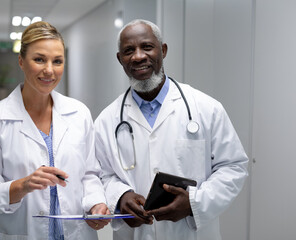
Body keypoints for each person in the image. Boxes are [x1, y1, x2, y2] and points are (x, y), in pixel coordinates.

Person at [94, 19, 249, 240]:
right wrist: (120, 197)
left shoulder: (206, 108)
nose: (138, 56)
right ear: (120, 59)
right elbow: (101, 175)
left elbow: (233, 167)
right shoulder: (106, 120)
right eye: (129, 50)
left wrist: (195, 203)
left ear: (163, 50)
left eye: (147, 47)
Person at [0, 21, 110, 240]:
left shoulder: (79, 113)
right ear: (21, 61)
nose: (49, 70)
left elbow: (90, 174)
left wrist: (96, 204)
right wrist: (22, 186)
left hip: (76, 233)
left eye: (57, 61)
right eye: (39, 59)